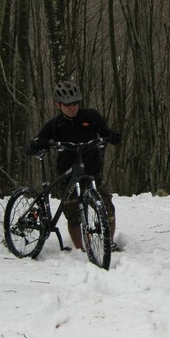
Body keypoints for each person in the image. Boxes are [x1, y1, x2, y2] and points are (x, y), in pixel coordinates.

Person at [24, 81, 122, 252]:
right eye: (67, 105)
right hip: (68, 175)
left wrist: (113, 136)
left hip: (92, 172)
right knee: (73, 214)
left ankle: (108, 243)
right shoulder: (55, 125)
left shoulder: (91, 117)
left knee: (106, 207)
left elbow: (107, 132)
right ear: (58, 105)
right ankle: (80, 248)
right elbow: (38, 140)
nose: (72, 108)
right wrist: (35, 145)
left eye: (75, 103)